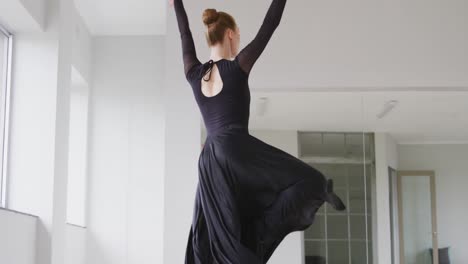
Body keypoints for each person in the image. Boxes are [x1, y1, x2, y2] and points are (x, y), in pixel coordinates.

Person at [171, 0, 346, 263]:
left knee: (220, 225)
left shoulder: (193, 73)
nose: (239, 41)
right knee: (304, 178)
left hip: (209, 159)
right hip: (235, 146)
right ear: (230, 34)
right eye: (238, 35)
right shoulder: (238, 67)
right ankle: (320, 189)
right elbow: (270, 24)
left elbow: (184, 32)